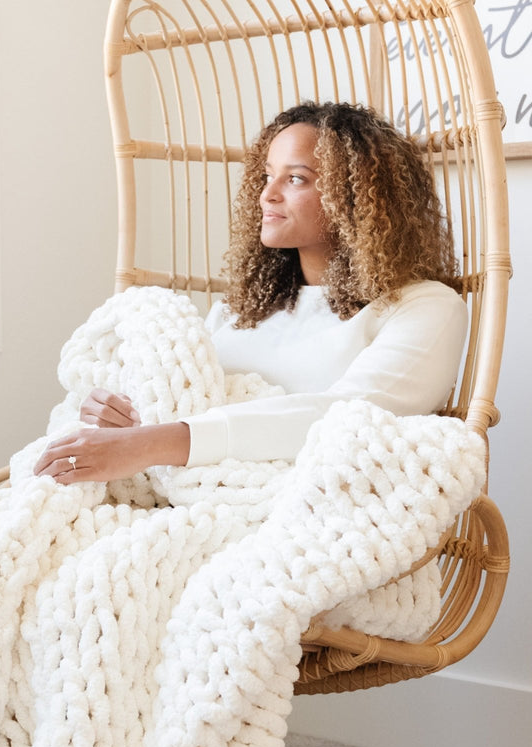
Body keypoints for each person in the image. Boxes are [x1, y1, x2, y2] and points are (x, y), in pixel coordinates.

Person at [33, 100, 467, 484]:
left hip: (293, 512)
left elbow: (346, 419)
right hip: (175, 495)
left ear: (358, 197)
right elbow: (174, 402)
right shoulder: (237, 311)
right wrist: (117, 413)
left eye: (296, 179)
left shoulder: (423, 308)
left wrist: (147, 444)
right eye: (266, 176)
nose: (267, 195)